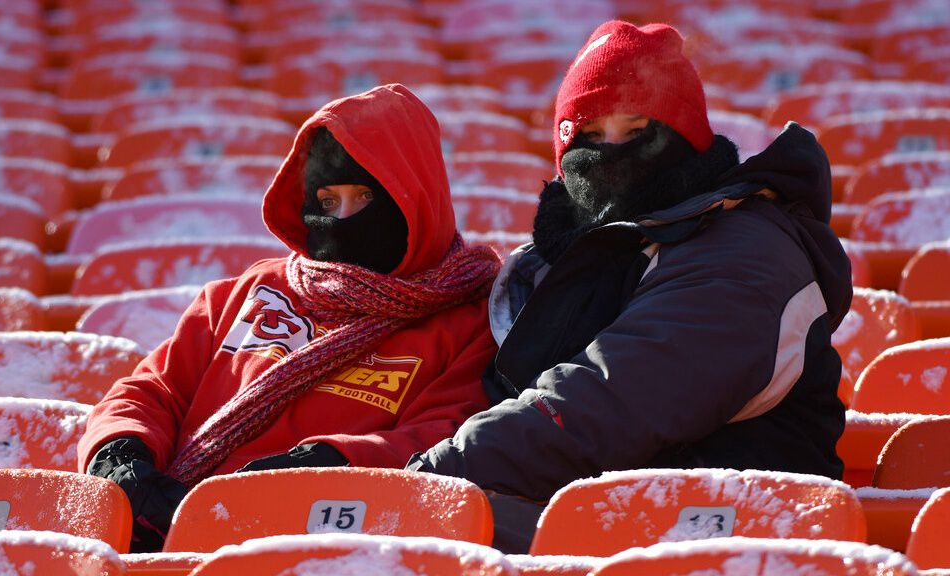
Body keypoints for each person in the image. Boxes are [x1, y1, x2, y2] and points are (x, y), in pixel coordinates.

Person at [407, 20, 852, 551]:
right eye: (591, 136)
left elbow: (613, 397)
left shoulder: (745, 247)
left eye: (637, 131)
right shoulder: (557, 266)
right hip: (607, 523)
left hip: (738, 539)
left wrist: (435, 471)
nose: (611, 155)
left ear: (687, 140)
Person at [79, 84, 502, 552]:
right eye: (326, 201)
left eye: (365, 197)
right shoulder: (249, 291)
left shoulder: (468, 316)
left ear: (416, 198)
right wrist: (121, 451)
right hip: (172, 530)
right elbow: (153, 389)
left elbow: (442, 440)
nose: (342, 219)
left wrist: (322, 465)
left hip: (329, 540)